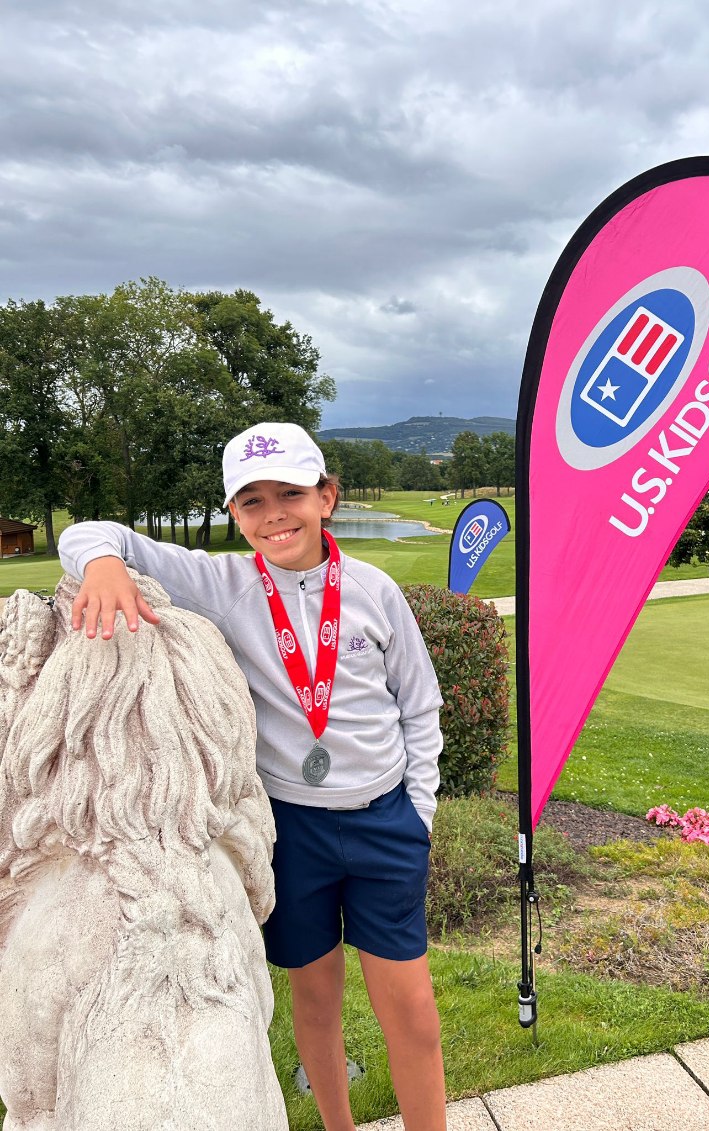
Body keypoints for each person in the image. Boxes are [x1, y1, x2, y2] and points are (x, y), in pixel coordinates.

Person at [58, 422, 447, 1131]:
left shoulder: (375, 589)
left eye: (291, 493)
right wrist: (101, 567)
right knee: (314, 998)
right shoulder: (225, 582)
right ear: (234, 513)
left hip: (384, 820)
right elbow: (91, 531)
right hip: (291, 829)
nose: (274, 514)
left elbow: (420, 707)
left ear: (327, 496)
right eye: (252, 501)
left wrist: (417, 812)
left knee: (413, 1011)